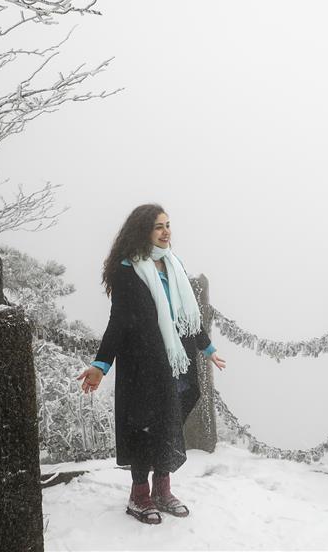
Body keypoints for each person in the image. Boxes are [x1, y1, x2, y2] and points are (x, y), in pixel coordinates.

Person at [77, 204, 226, 525]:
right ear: (143, 230)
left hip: (176, 362)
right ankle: (139, 495)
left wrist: (207, 348)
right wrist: (100, 365)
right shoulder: (127, 269)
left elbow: (188, 314)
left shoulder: (173, 264)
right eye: (159, 226)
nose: (166, 231)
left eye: (168, 225)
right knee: (144, 427)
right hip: (143, 364)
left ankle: (163, 489)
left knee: (168, 423)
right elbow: (118, 322)